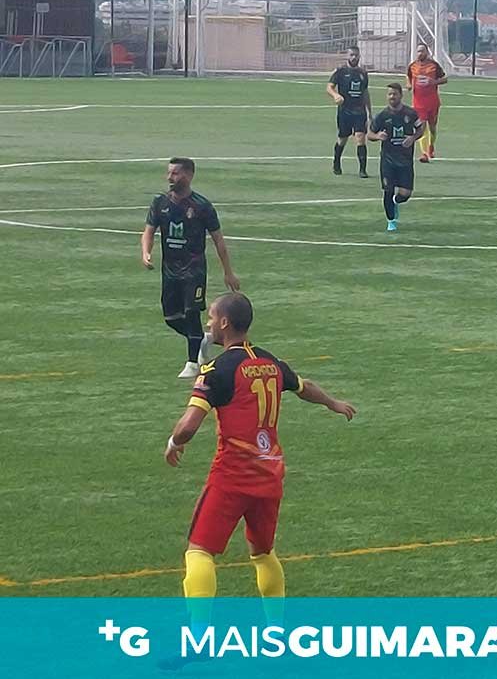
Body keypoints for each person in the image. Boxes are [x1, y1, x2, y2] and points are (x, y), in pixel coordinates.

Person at [165, 292, 356, 628]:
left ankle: (198, 634)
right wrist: (333, 403)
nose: (209, 323)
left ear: (225, 323)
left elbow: (188, 426)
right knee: (263, 553)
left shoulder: (218, 370)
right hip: (269, 477)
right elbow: (304, 386)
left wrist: (173, 441)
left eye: (212, 317)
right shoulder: (270, 362)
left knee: (199, 551)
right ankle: (276, 629)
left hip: (232, 476)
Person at [141, 157, 240, 378]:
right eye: (169, 173)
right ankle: (203, 339)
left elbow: (218, 240)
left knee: (191, 313)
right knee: (171, 318)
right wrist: (146, 252)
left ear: (188, 175)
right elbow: (148, 231)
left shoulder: (202, 206)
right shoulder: (160, 203)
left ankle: (193, 363)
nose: (170, 178)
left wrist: (228, 272)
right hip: (169, 270)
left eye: (175, 173)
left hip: (194, 270)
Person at [370, 83, 423, 232]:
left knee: (405, 194)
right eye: (389, 94)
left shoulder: (410, 113)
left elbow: (420, 129)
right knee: (388, 190)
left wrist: (413, 138)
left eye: (394, 94)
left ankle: (395, 202)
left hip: (405, 161)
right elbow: (370, 134)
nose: (392, 97)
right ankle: (391, 221)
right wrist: (377, 136)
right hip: (388, 160)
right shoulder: (382, 116)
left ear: (401, 95)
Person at [326, 46, 371, 177]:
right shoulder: (341, 71)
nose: (354, 57)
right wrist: (335, 95)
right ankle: (336, 162)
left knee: (360, 137)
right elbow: (329, 87)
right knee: (342, 139)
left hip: (359, 111)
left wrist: (369, 112)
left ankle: (362, 170)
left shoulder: (363, 73)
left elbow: (365, 92)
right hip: (345, 111)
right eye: (351, 55)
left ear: (359, 56)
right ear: (347, 56)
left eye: (356, 55)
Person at [406, 42, 447, 162]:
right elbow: (408, 76)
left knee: (432, 127)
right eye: (418, 51)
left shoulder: (434, 65)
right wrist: (409, 84)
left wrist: (434, 82)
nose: (420, 53)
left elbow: (445, 79)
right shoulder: (413, 66)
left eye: (422, 51)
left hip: (433, 102)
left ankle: (431, 146)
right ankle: (424, 153)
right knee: (422, 127)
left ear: (427, 52)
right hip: (418, 103)